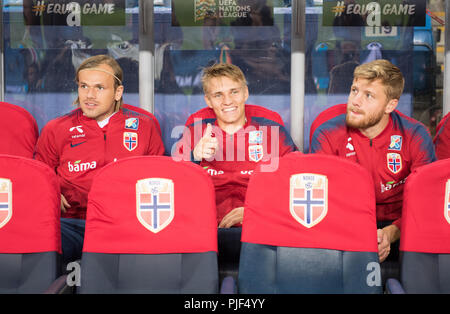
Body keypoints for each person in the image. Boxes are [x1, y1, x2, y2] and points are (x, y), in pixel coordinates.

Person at [35, 54, 165, 264]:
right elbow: (37, 177)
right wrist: (48, 191)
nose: (89, 95)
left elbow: (160, 180)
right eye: (84, 86)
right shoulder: (56, 129)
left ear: (118, 92)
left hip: (126, 224)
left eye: (99, 88)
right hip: (71, 224)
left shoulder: (144, 127)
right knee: (38, 238)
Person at [310, 59, 436, 263]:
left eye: (368, 95)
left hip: (403, 228)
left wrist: (391, 232)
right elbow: (321, 200)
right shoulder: (327, 134)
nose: (355, 101)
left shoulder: (415, 135)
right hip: (343, 227)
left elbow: (427, 202)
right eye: (354, 90)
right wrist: (363, 233)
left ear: (390, 105)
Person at [174, 63, 297, 228]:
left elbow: (297, 182)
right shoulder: (194, 132)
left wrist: (255, 211)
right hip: (206, 229)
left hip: (260, 225)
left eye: (234, 92)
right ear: (208, 101)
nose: (227, 101)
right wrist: (193, 157)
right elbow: (172, 184)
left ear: (245, 93)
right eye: (218, 95)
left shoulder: (272, 132)